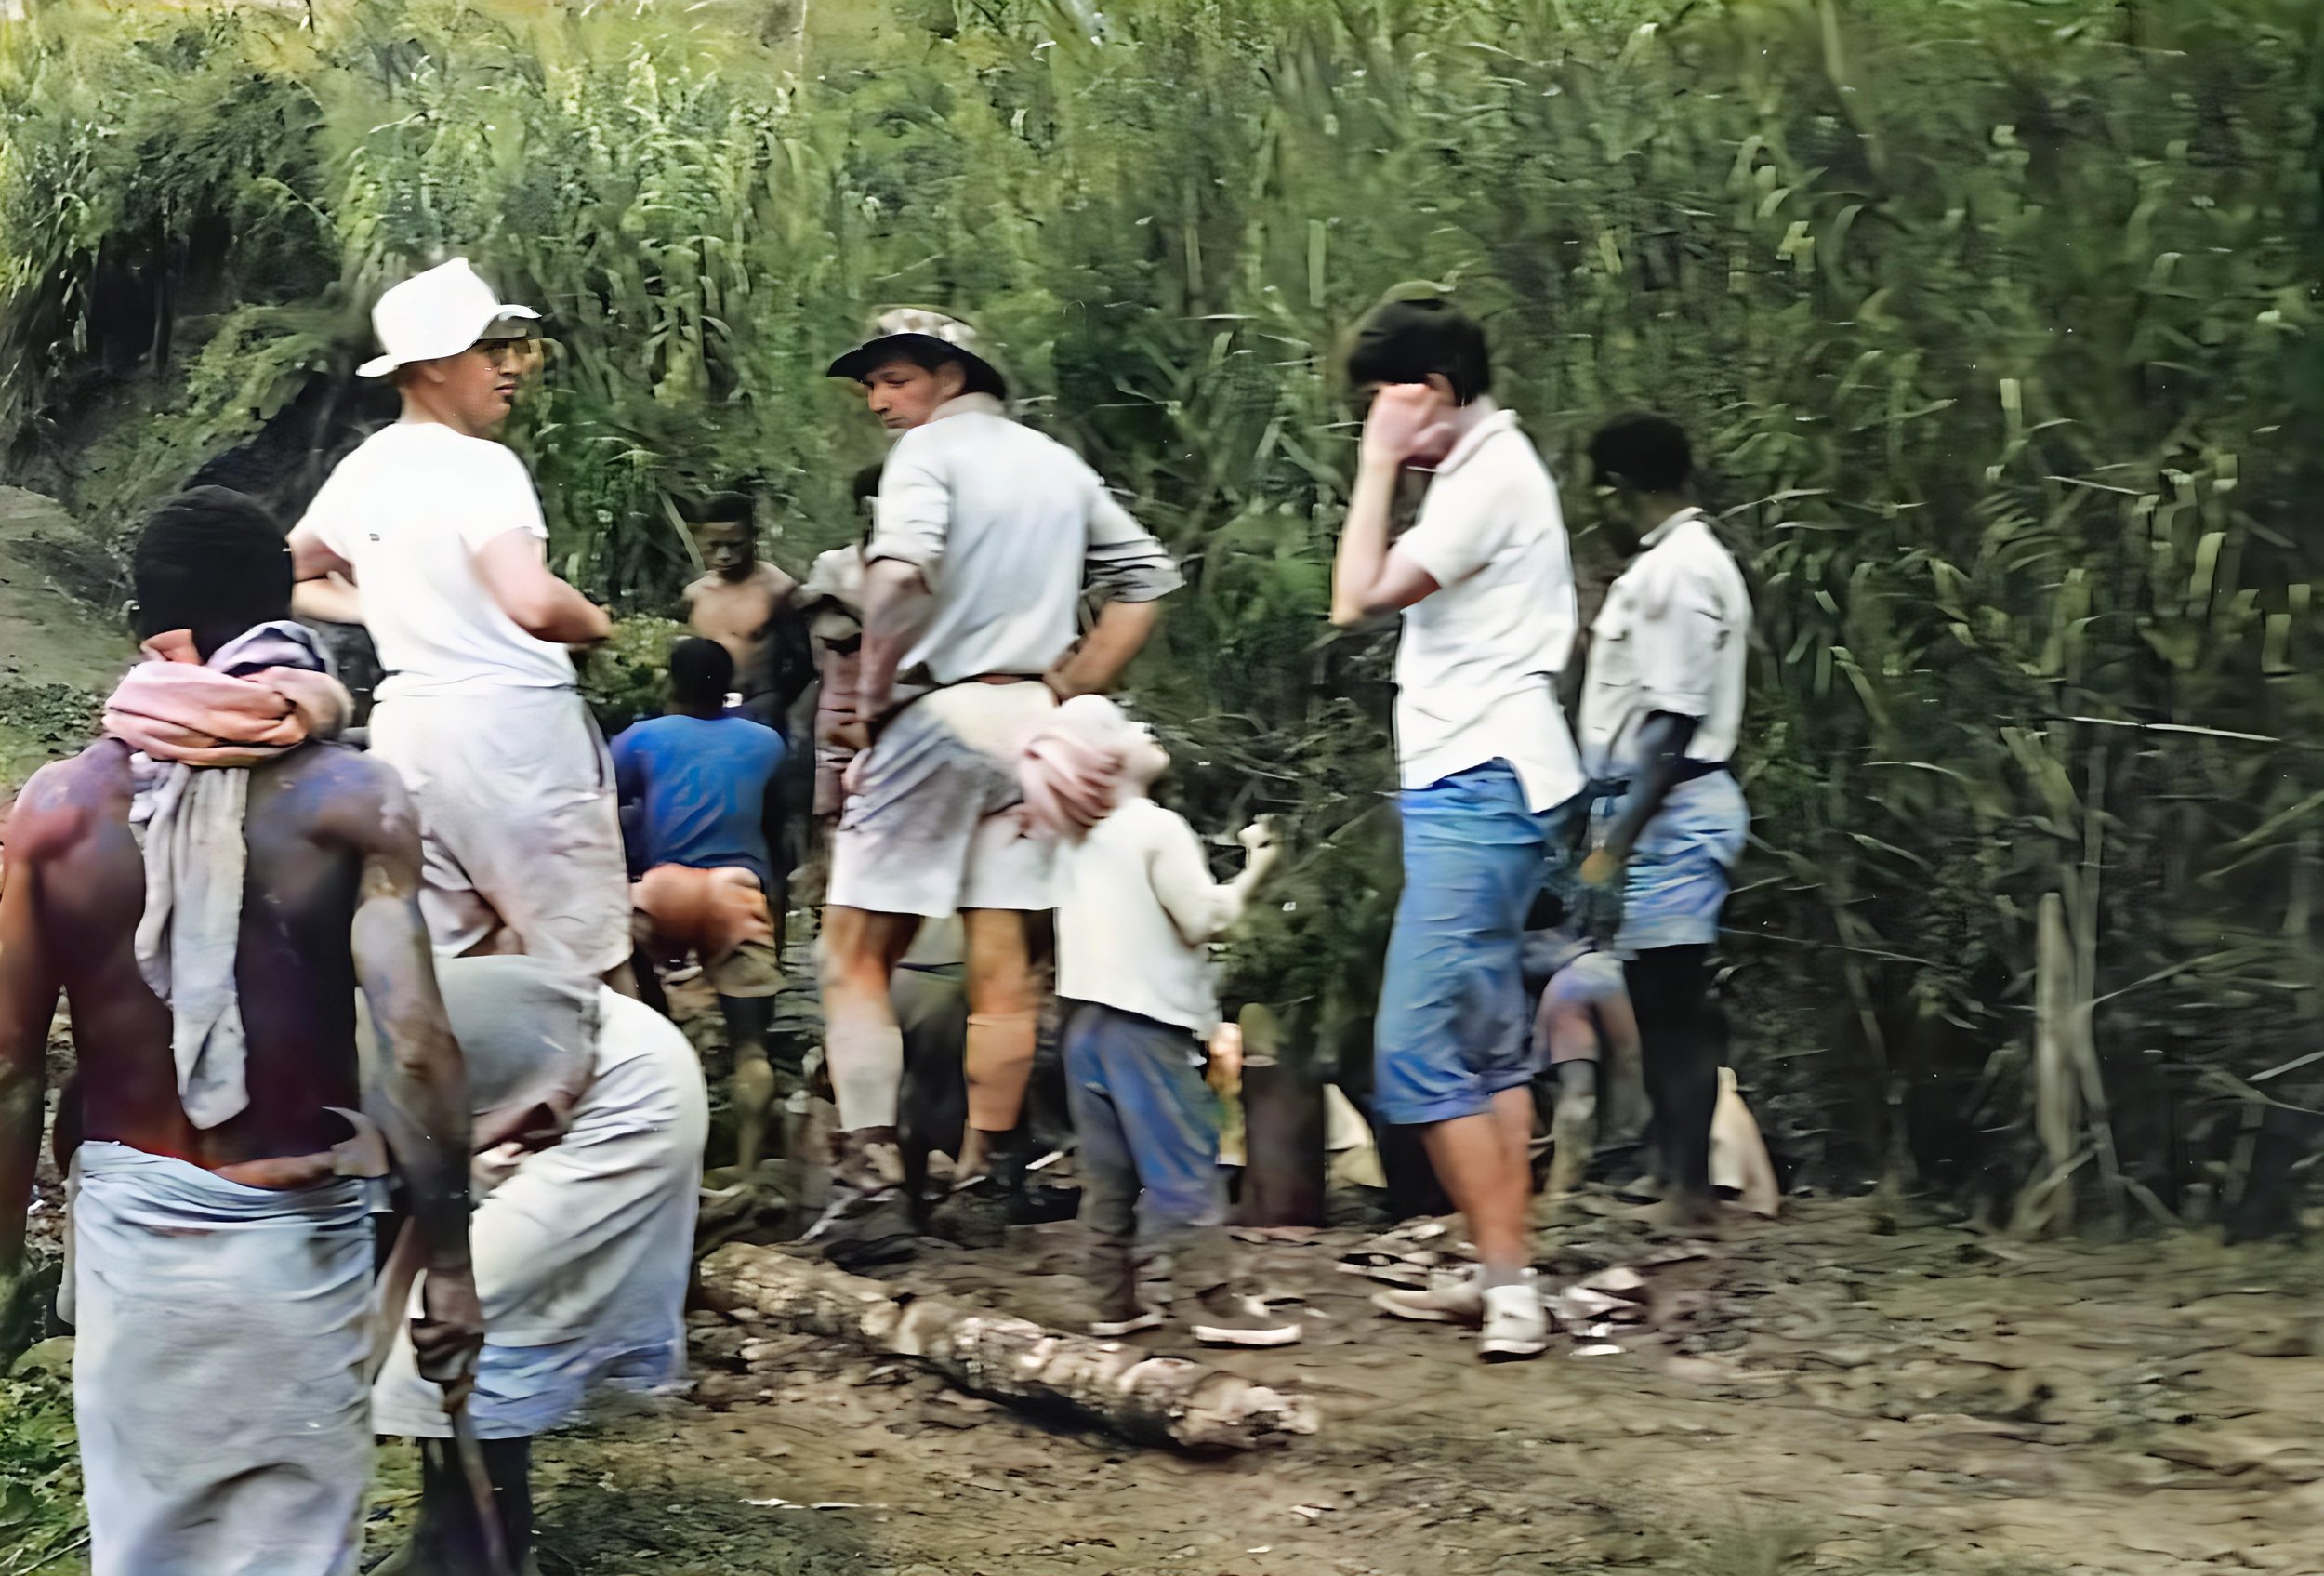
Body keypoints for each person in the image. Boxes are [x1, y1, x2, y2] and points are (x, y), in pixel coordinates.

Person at [0, 489, 482, 1576]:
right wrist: (448, 1263)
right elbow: (412, 1046)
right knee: (296, 1549)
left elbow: (9, 1067)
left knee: (146, 1546)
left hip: (137, 1252)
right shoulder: (355, 798)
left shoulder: (56, 811)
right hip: (296, 1246)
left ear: (146, 628)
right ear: (285, 612)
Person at [812, 307, 1181, 1253]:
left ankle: (873, 1185)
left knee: (851, 952)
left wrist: (873, 693)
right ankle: (986, 1180)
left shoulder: (928, 457)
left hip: (935, 713)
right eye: (872, 385)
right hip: (1028, 723)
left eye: (894, 379)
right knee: (1002, 964)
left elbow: (898, 577)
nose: (879, 400)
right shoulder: (1057, 466)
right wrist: (1070, 684)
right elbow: (1145, 579)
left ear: (948, 373)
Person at [1328, 295, 1584, 1362]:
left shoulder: (1485, 482)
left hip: (1481, 781)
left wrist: (1378, 465)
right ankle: (1498, 1271)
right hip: (1492, 779)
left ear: (1425, 391)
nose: (1375, 423)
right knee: (1485, 1051)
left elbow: (1356, 594)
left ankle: (1514, 1290)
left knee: (1417, 1053)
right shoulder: (1489, 473)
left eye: (1383, 402)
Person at [286, 257, 632, 987]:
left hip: (411, 737)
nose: (510, 367)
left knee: (456, 971)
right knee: (584, 967)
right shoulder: (483, 466)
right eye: (489, 351)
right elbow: (533, 602)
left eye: (511, 350)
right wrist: (599, 623)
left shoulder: (366, 467)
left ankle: (474, 1101)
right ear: (433, 366)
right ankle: (613, 1094)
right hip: (514, 737)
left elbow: (287, 570)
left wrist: (373, 605)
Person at [367, 956, 708, 1576]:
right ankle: (450, 1544)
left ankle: (480, 1555)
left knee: (467, 1334)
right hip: (539, 1078)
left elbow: (419, 1181)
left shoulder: (313, 1050)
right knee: (422, 1341)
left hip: (615, 1084)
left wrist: (447, 1279)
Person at [1020, 695, 1301, 1346]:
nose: (1145, 727)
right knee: (1186, 1161)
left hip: (1084, 1026)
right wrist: (1256, 865)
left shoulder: (1074, 839)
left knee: (1109, 1172)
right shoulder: (1154, 826)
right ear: (1106, 758)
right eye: (1127, 725)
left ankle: (1112, 1300)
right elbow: (1205, 918)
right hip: (1146, 1026)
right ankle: (1213, 1300)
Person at [1574, 414, 1752, 1236]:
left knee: (1672, 1005)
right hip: (1654, 808)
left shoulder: (1678, 574)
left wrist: (1615, 845)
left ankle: (1690, 1189)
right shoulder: (1679, 564)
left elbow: (1671, 723)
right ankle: (1670, 1168)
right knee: (1655, 1001)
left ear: (1623, 488)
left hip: (1669, 812)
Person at [614, 638, 788, 1175]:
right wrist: (776, 914)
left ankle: (655, 1032)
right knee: (752, 1049)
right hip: (737, 889)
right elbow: (779, 831)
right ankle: (750, 1173)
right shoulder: (766, 743)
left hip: (662, 888)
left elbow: (599, 800)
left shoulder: (641, 738)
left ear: (672, 681)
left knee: (620, 977)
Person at [1523, 912, 1641, 1200]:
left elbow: (1579, 1096)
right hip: (1606, 970)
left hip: (1569, 986)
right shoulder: (1610, 963)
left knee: (1576, 1090)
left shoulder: (1567, 984)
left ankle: (1563, 1184)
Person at [680, 487, 812, 732]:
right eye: (715, 545)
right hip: (703, 712)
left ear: (753, 536)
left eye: (734, 545)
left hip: (760, 706)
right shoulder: (696, 593)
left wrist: (780, 704)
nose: (724, 555)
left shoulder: (779, 590)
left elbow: (804, 662)